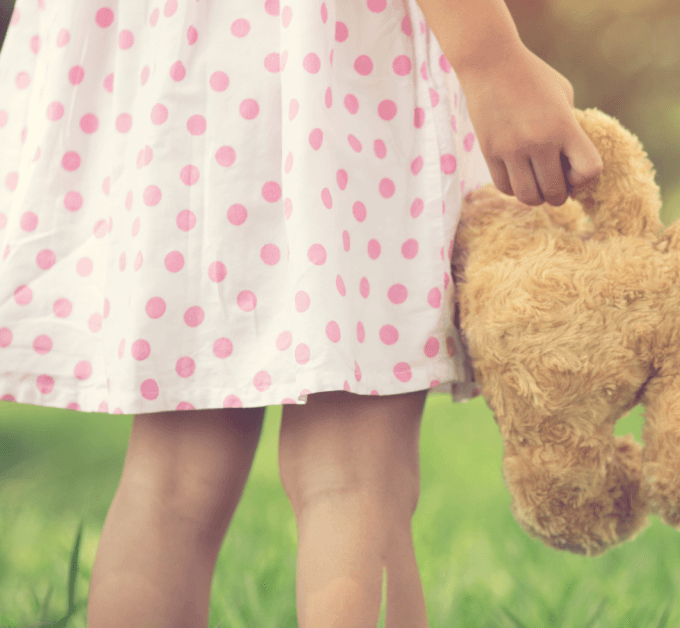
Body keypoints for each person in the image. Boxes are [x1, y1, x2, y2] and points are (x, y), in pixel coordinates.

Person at [0, 0, 602, 625]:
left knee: (171, 482)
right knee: (355, 474)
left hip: (174, 77)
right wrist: (492, 60)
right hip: (331, 65)